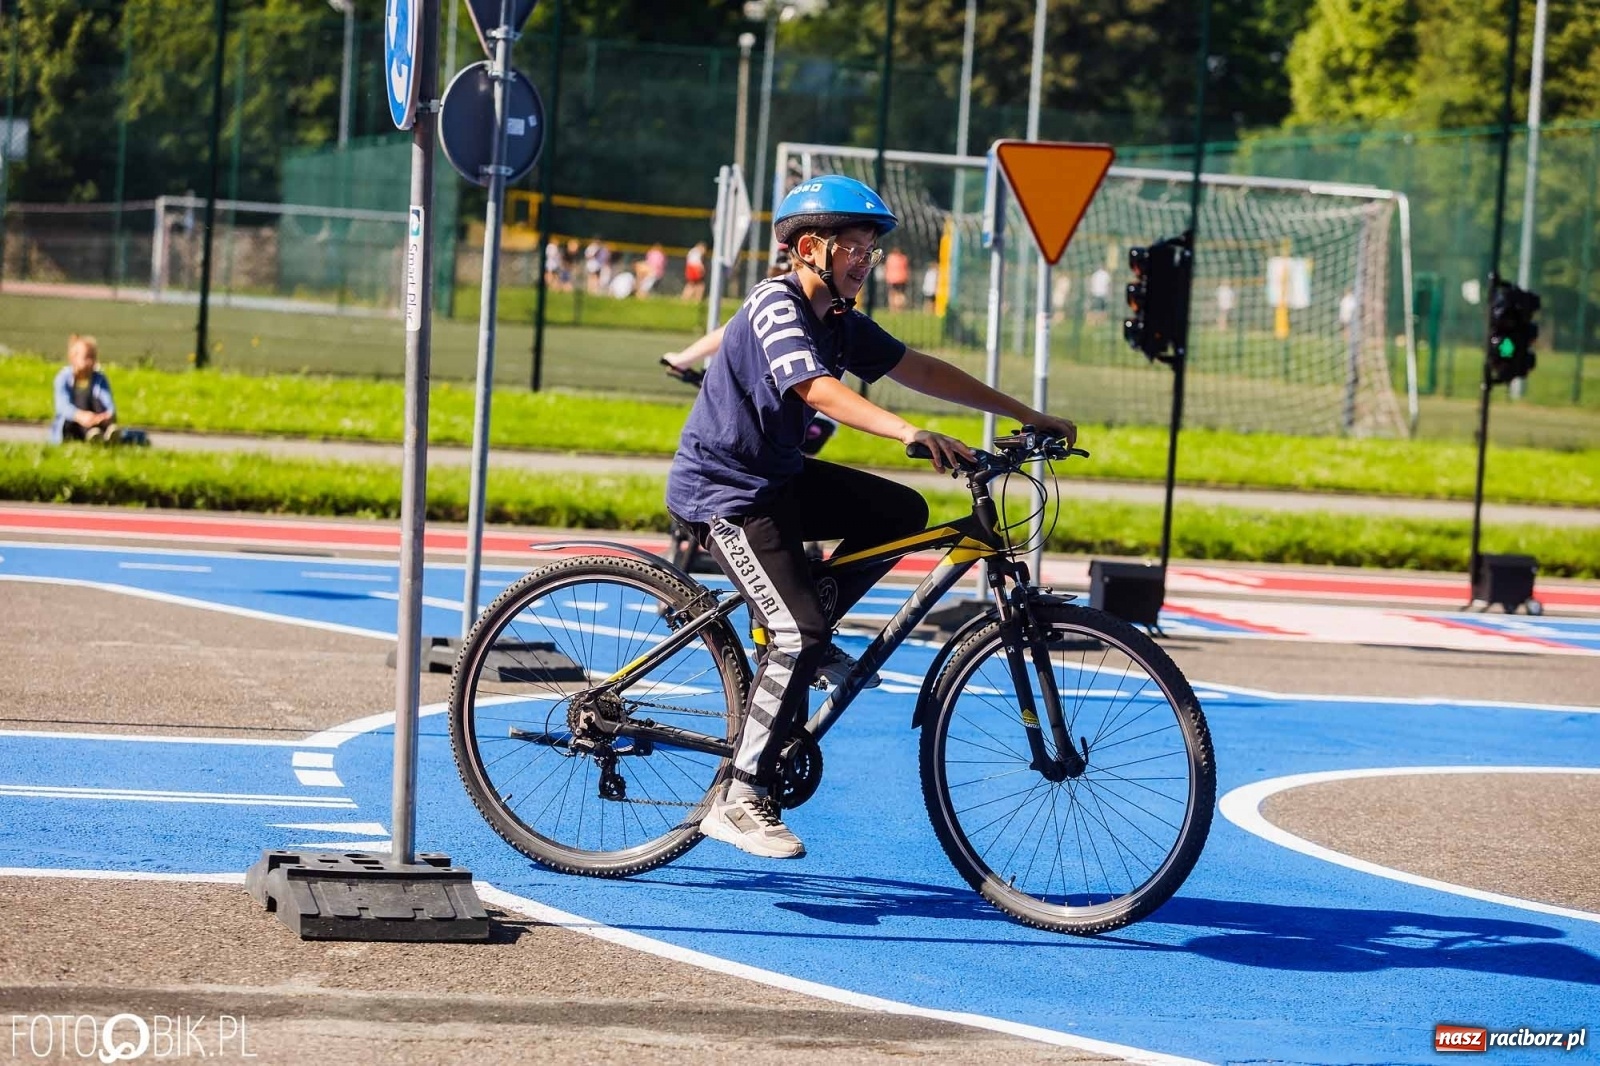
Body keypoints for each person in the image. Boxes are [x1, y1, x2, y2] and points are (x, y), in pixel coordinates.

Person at [667, 174, 1077, 860]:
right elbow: (814, 388)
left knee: (902, 510)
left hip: (779, 481)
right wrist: (908, 432)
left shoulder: (837, 319)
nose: (865, 260)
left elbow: (920, 368)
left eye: (869, 249)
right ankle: (738, 796)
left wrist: (1027, 414)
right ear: (809, 249)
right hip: (726, 493)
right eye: (852, 248)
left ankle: (810, 623)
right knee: (796, 634)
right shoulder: (776, 305)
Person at [51, 334, 121, 444]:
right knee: (82, 397)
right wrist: (80, 416)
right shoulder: (63, 378)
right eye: (87, 357)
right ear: (74, 358)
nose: (91, 362)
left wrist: (107, 415)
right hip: (74, 423)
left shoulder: (99, 378)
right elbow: (62, 406)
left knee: (96, 400)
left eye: (93, 357)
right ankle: (93, 434)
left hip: (96, 420)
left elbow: (106, 399)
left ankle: (108, 432)